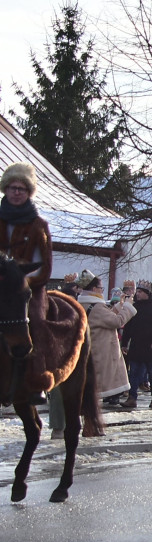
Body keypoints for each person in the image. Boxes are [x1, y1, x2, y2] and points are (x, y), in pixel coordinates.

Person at [0, 162, 54, 402]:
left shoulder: (38, 225)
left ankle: (35, 380)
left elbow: (45, 265)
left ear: (28, 192)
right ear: (5, 190)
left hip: (29, 286)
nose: (16, 192)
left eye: (21, 188)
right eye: (12, 187)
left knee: (36, 321)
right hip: (1, 285)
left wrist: (23, 283)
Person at [77, 272, 136, 405]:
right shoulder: (96, 306)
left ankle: (111, 395)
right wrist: (128, 306)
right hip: (103, 348)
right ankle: (111, 395)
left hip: (94, 345)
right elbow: (116, 321)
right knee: (108, 375)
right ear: (94, 289)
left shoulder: (85, 303)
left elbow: (105, 317)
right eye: (100, 288)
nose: (102, 291)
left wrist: (119, 305)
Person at [119, 283, 152, 409]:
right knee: (133, 373)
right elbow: (128, 326)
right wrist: (124, 343)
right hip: (136, 345)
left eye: (140, 292)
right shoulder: (134, 307)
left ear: (147, 293)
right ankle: (132, 397)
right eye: (136, 292)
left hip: (150, 346)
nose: (137, 294)